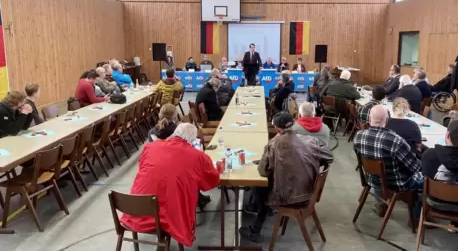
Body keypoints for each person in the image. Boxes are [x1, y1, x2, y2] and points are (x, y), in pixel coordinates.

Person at [239, 112, 334, 242]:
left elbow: (262, 172)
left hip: (286, 197)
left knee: (258, 187)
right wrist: (308, 164)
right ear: (294, 123)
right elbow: (329, 157)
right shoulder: (311, 141)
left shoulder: (273, 144)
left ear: (277, 128)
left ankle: (256, 228)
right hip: (308, 193)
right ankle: (260, 215)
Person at [121, 123, 220, 247]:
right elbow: (211, 182)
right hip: (164, 218)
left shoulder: (150, 147)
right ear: (192, 140)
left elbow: (142, 167)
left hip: (133, 211)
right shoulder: (197, 156)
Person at [353, 105, 423, 216]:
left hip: (371, 179)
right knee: (427, 178)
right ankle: (417, 216)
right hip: (396, 184)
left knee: (380, 170)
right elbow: (415, 167)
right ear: (387, 120)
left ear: (369, 119)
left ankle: (380, 204)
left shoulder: (358, 136)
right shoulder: (396, 140)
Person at [422, 118, 458, 212]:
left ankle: (420, 218)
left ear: (447, 135)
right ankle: (457, 224)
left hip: (433, 202)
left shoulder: (428, 155)